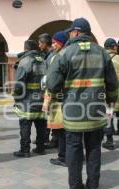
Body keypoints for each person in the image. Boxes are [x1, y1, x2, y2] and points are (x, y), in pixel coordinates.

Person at [47, 18, 119, 189]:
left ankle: (75, 187)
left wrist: (60, 96)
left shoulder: (65, 54)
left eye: (71, 32)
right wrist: (109, 107)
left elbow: (51, 84)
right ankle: (93, 185)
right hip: (96, 111)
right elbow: (112, 84)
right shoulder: (102, 53)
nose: (70, 34)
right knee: (94, 149)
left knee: (73, 149)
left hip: (73, 113)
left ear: (76, 32)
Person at [13, 40, 47, 158]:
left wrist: (16, 96)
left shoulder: (25, 61)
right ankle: (41, 148)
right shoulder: (43, 60)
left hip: (27, 99)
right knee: (41, 124)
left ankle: (25, 150)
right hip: (42, 98)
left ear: (26, 49)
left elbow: (19, 83)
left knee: (25, 125)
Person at [42, 31, 68, 167]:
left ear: (61, 43)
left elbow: (51, 82)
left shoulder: (58, 57)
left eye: (54, 43)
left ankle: (63, 156)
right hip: (68, 98)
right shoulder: (67, 55)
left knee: (60, 130)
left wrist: (47, 100)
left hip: (58, 99)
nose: (53, 45)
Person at [38, 33, 58, 148]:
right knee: (48, 114)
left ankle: (54, 139)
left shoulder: (52, 56)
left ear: (45, 44)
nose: (39, 46)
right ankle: (46, 137)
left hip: (51, 90)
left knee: (52, 114)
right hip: (47, 89)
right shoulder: (48, 55)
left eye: (40, 43)